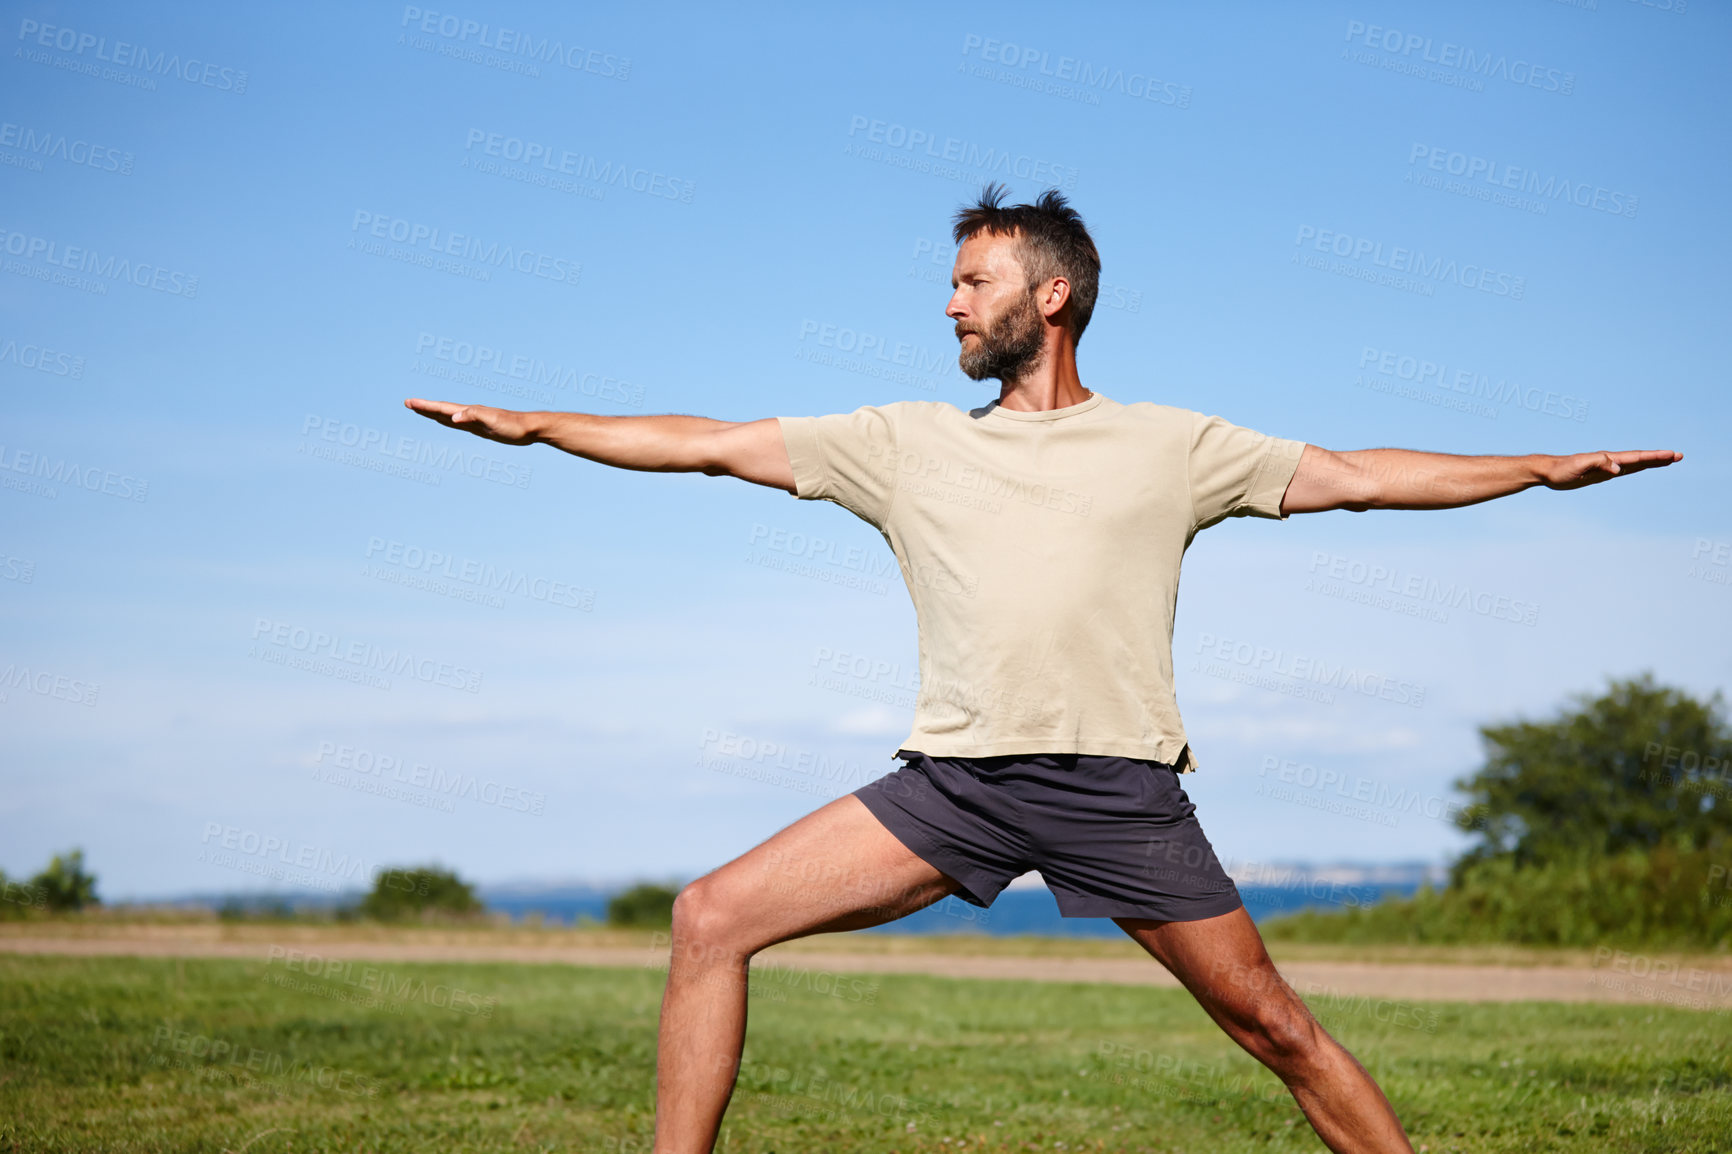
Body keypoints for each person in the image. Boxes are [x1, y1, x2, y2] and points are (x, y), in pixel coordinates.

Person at [406, 184, 1679, 1154]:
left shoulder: (1172, 444)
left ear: (1048, 296)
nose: (950, 304)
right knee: (707, 917)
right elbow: (705, 443)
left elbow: (1356, 477)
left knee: (1274, 1027)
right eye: (951, 285)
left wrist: (1539, 466)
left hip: (1112, 785)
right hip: (953, 780)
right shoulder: (898, 444)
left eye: (971, 282)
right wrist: (535, 425)